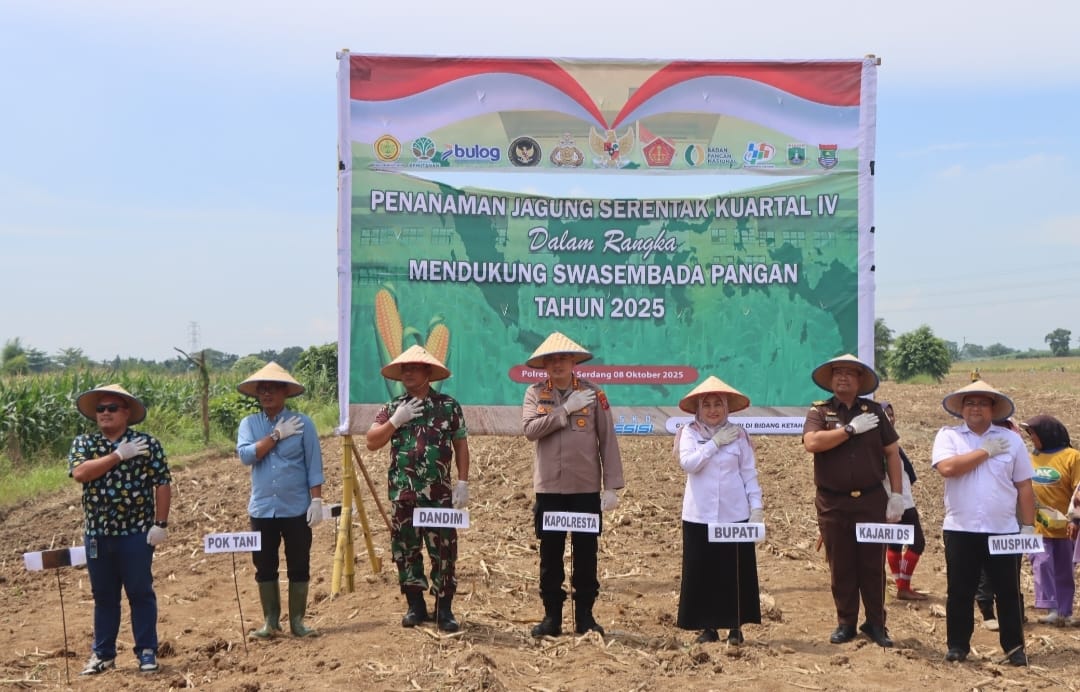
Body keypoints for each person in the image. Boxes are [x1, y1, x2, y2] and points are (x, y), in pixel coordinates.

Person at [523, 331, 624, 637]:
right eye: (551, 360)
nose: (557, 364)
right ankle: (552, 617)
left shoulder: (594, 394)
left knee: (586, 553)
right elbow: (530, 429)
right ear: (544, 365)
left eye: (563, 359)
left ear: (573, 361)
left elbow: (607, 439)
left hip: (585, 489)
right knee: (550, 554)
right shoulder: (534, 393)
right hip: (550, 489)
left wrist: (611, 486)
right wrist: (564, 410)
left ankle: (585, 617)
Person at [802, 354, 904, 648]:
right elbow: (812, 443)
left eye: (850, 373)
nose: (843, 378)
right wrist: (848, 430)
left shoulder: (873, 412)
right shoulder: (819, 412)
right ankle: (846, 622)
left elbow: (892, 453)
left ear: (860, 381)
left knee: (872, 564)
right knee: (841, 564)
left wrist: (896, 495)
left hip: (871, 500)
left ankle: (875, 623)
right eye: (838, 373)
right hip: (833, 503)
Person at [69, 384, 172, 675]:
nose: (105, 413)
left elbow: (162, 482)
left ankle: (147, 651)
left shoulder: (147, 444)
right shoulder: (84, 444)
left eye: (112, 408)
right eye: (100, 409)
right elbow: (80, 473)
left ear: (126, 412)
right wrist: (118, 455)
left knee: (140, 592)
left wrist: (160, 524)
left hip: (136, 533)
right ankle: (102, 654)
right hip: (98, 534)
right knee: (104, 596)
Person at [366, 345, 470, 632]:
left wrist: (463, 481)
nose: (408, 373)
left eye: (414, 368)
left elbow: (460, 444)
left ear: (428, 373)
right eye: (404, 369)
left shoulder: (448, 406)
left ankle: (444, 610)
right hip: (404, 495)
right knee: (406, 550)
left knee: (444, 552)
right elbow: (372, 441)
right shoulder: (393, 408)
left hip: (438, 496)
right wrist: (396, 421)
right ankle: (415, 606)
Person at [932, 381, 1035, 666]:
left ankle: (1015, 648)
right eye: (970, 403)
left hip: (1003, 528)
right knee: (960, 591)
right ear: (962, 409)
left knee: (1008, 591)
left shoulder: (1012, 440)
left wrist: (1028, 526)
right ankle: (957, 646)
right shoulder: (948, 436)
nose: (975, 407)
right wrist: (985, 452)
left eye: (982, 403)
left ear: (992, 409)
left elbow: (1024, 485)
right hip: (960, 528)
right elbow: (948, 469)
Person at [237, 362, 324, 638]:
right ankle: (271, 622)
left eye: (273, 389)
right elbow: (247, 455)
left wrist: (317, 501)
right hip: (263, 509)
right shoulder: (250, 424)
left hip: (296, 507)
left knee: (299, 563)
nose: (267, 394)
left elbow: (314, 465)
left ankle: (298, 621)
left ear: (285, 392)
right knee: (264, 565)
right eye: (262, 390)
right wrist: (275, 436)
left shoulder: (302, 424)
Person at [675, 376, 763, 645]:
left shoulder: (739, 435)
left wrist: (756, 507)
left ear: (726, 408)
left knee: (734, 571)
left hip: (734, 514)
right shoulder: (689, 433)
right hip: (699, 516)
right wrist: (714, 444)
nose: (713, 410)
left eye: (718, 405)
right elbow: (689, 463)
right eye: (707, 405)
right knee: (703, 570)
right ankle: (707, 626)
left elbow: (748, 473)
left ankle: (736, 626)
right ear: (698, 409)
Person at [1020, 415, 1080, 626]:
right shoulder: (1029, 457)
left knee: (1065, 569)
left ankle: (1065, 611)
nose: (1031, 438)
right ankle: (1051, 608)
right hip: (1037, 525)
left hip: (1065, 526)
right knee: (1042, 563)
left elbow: (1078, 489)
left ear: (1047, 434)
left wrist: (1076, 520)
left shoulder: (1072, 457)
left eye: (1034, 434)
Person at [878, 402, 927, 601]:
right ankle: (903, 586)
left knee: (895, 544)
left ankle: (901, 586)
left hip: (901, 498)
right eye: (885, 415)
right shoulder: (879, 444)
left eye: (891, 414)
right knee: (917, 544)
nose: (890, 418)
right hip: (899, 502)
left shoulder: (890, 441)